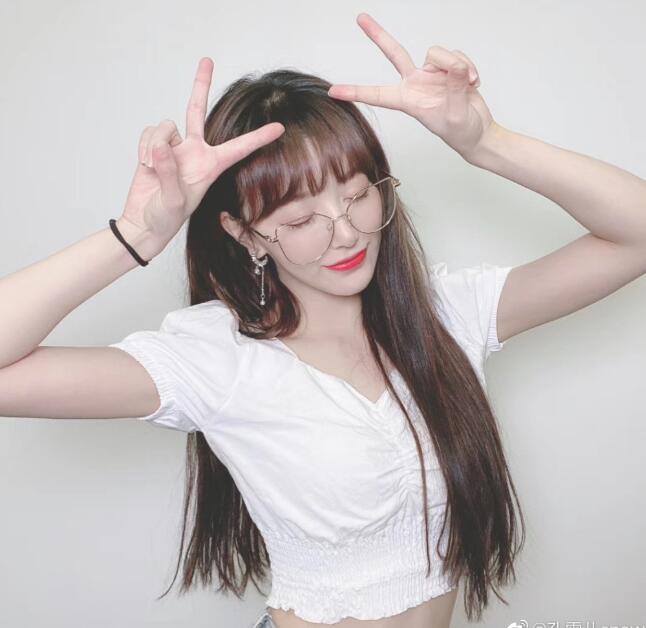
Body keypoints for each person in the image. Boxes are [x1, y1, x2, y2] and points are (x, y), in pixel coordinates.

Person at [2, 12, 646, 628]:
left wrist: (488, 144)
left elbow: (636, 234)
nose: (345, 233)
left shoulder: (448, 314)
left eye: (358, 194)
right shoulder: (217, 358)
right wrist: (136, 235)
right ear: (245, 234)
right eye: (302, 218)